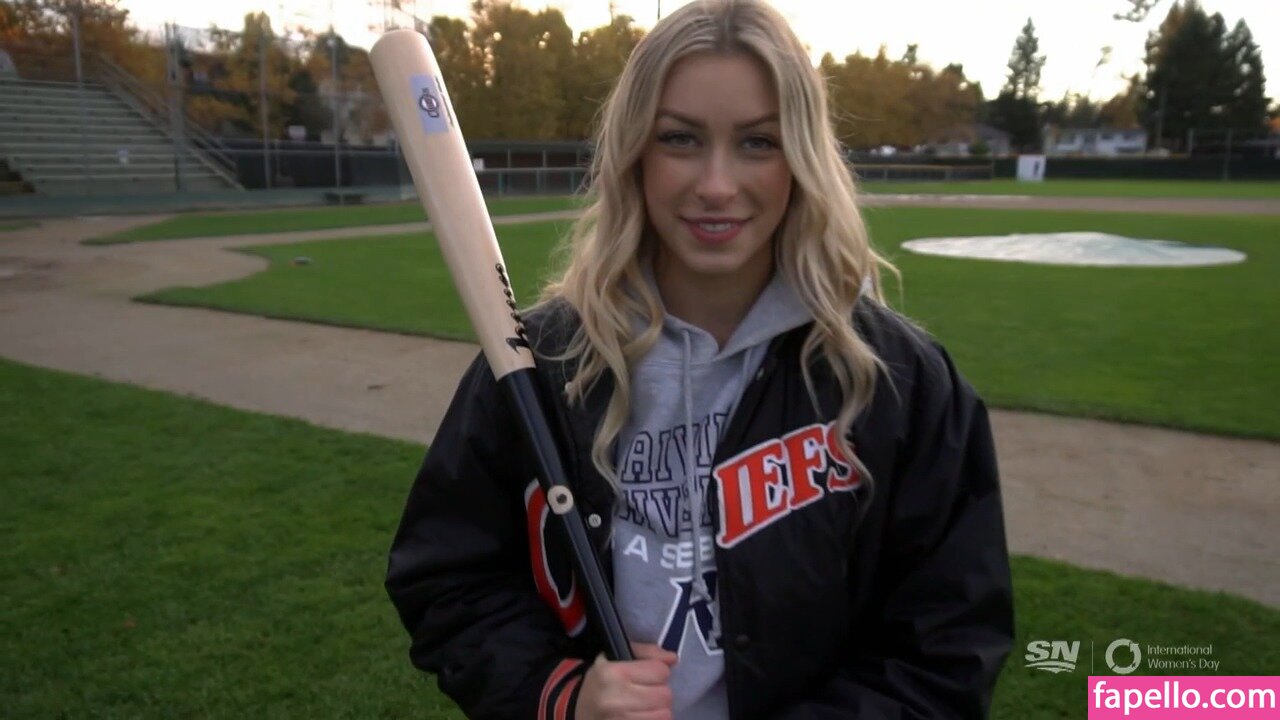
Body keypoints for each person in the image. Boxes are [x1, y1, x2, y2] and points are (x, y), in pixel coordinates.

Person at [385, 1, 1015, 718]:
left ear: (803, 157)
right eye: (679, 139)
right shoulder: (540, 363)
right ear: (635, 154)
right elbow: (448, 578)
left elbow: (946, 646)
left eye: (758, 142)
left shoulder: (898, 381)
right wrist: (562, 695)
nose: (717, 185)